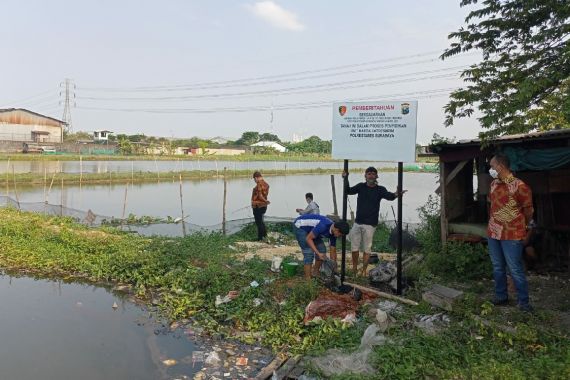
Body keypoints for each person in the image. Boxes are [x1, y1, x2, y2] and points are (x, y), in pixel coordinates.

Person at [487, 154, 534, 312]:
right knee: (497, 267)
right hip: (493, 233)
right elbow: (492, 205)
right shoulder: (493, 184)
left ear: (500, 166)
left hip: (512, 234)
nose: (491, 169)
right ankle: (501, 296)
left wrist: (524, 225)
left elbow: (528, 210)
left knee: (514, 269)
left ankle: (524, 303)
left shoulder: (520, 186)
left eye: (492, 166)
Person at [343, 166, 404, 276]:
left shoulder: (380, 189)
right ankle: (354, 269)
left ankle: (363, 271)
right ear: (365, 176)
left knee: (367, 249)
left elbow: (390, 196)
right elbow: (348, 191)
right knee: (354, 248)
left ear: (376, 176)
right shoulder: (360, 186)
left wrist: (396, 193)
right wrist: (345, 178)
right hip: (357, 223)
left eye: (373, 174)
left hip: (370, 225)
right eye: (369, 173)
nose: (371, 175)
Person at [293, 214, 350, 280]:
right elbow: (308, 239)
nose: (339, 236)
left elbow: (333, 250)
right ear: (336, 229)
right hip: (300, 226)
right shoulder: (323, 226)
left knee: (322, 250)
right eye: (340, 234)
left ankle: (315, 273)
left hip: (312, 231)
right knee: (308, 252)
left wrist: (334, 267)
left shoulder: (333, 233)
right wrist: (317, 253)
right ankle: (307, 279)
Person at [251, 171, 270, 241]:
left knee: (259, 222)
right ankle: (264, 236)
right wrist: (265, 201)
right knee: (261, 221)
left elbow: (260, 195)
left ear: (256, 178)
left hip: (258, 205)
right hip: (264, 206)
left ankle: (260, 238)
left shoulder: (259, 184)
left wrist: (265, 201)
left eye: (254, 179)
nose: (254, 181)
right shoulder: (266, 184)